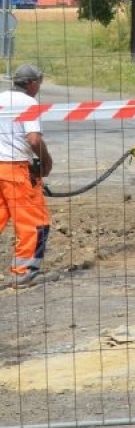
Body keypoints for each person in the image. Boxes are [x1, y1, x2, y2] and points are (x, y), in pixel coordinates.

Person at [0, 64, 52, 289]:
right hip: (17, 170)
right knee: (34, 222)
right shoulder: (29, 103)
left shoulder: (1, 98)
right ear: (32, 83)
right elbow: (33, 140)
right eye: (39, 83)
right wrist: (46, 161)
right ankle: (24, 272)